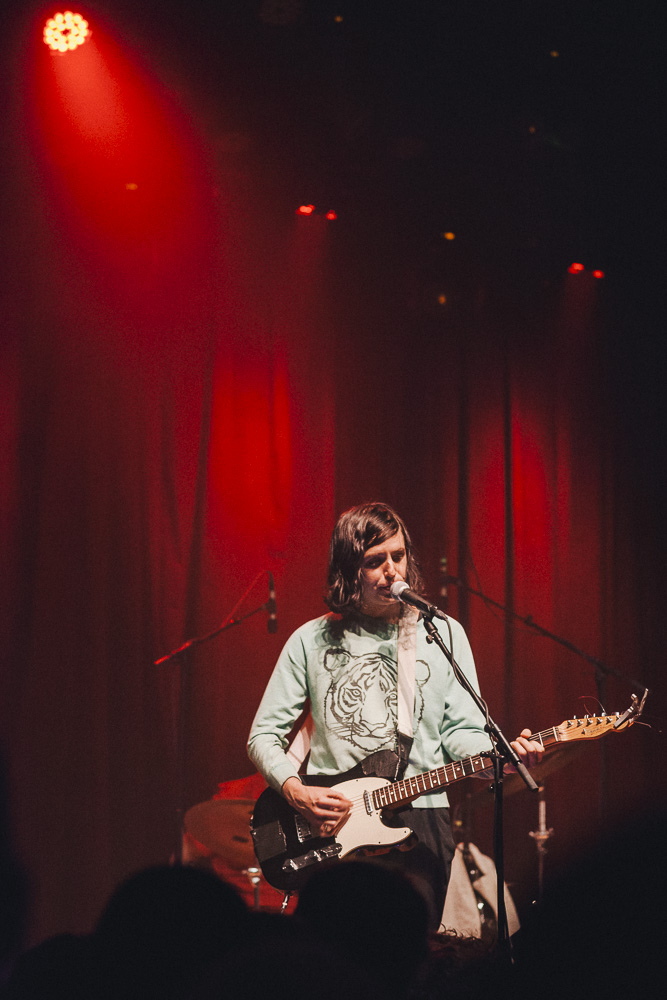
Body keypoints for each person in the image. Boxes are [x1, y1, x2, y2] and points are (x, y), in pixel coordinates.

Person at [247, 502, 542, 926]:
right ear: (349, 571)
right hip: (336, 826)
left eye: (398, 556)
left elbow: (461, 731)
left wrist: (500, 759)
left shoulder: (441, 632)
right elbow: (263, 735)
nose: (392, 570)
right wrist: (297, 792)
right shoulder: (310, 640)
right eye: (375, 561)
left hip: (423, 821)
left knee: (412, 959)